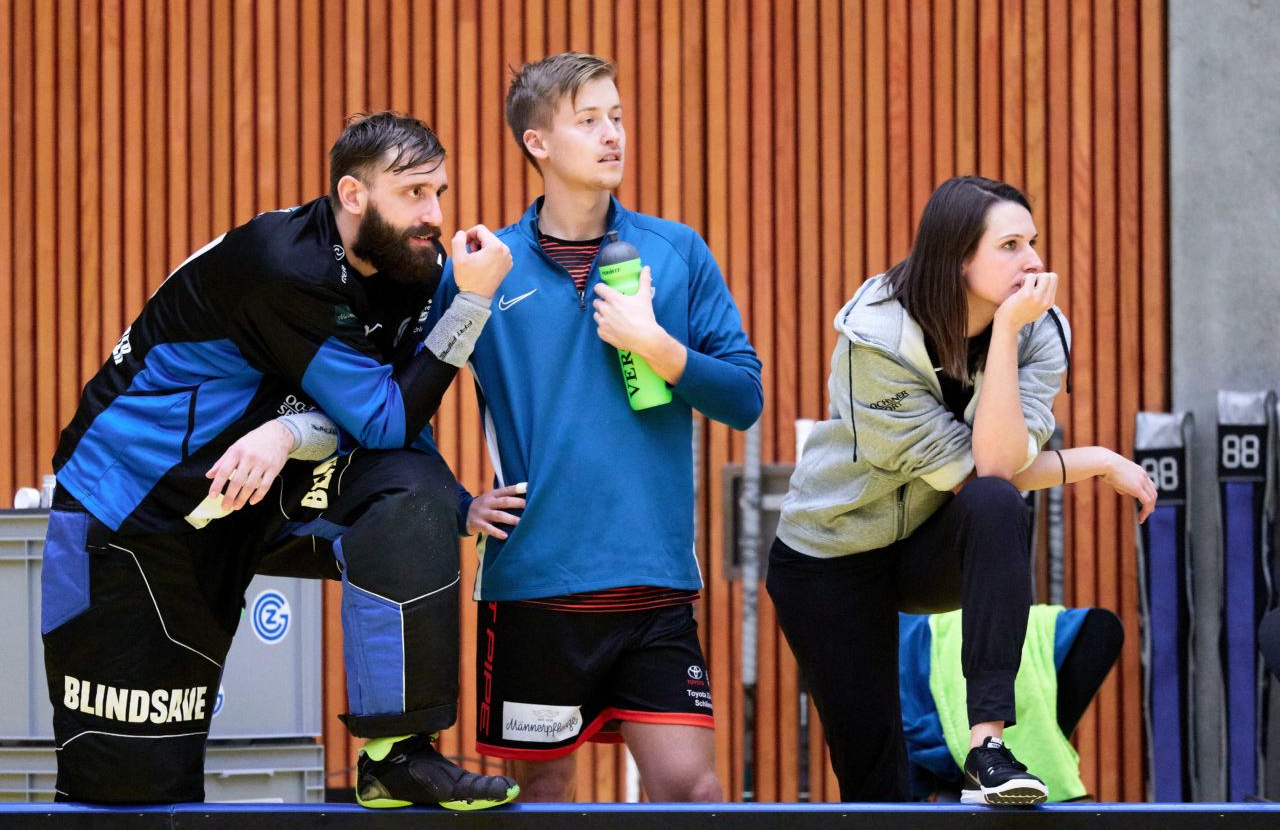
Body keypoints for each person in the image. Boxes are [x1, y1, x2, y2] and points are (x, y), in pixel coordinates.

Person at [41, 112, 521, 809]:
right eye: (415, 193)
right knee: (133, 795)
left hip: (248, 494)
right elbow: (386, 415)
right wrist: (472, 301)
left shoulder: (405, 269)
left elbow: (385, 424)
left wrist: (449, 500)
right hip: (132, 515)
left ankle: (398, 756)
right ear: (353, 196)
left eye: (439, 191)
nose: (436, 214)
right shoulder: (282, 265)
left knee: (408, 490)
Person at [764, 176, 1157, 805]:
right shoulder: (876, 340)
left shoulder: (1039, 332)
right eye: (1009, 245)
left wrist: (1005, 335)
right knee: (876, 779)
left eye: (1033, 242)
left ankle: (987, 749)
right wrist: (1093, 460)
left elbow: (996, 472)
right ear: (958, 259)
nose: (1032, 261)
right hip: (829, 559)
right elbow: (967, 468)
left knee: (997, 504)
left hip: (929, 547)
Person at [433, 52, 762, 802]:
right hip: (536, 589)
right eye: (589, 120)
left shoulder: (677, 253)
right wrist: (460, 504)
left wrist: (658, 348)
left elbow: (744, 396)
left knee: (693, 790)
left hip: (654, 582)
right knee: (545, 797)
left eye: (616, 116)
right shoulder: (487, 269)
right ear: (537, 142)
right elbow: (402, 402)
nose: (613, 134)